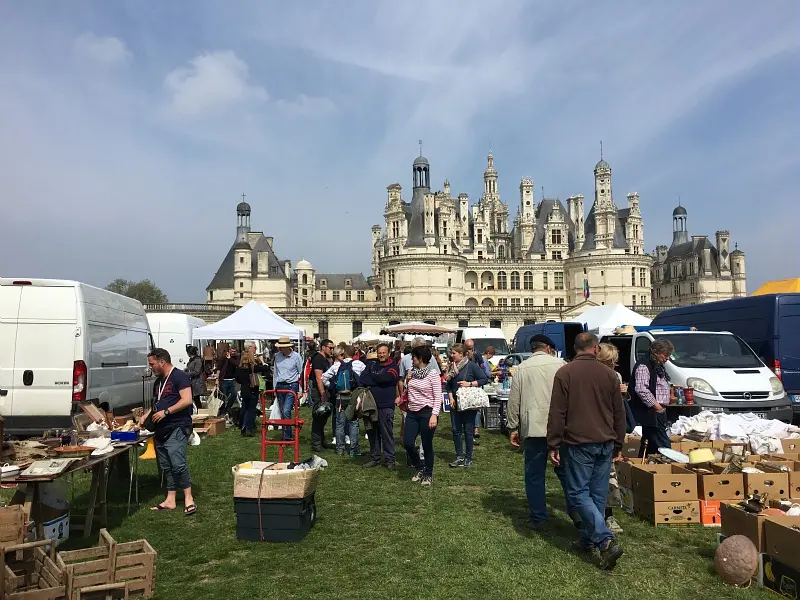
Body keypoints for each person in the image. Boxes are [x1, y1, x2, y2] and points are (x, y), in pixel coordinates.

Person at [547, 333, 625, 571]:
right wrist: (619, 443)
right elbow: (618, 412)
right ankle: (588, 540)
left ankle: (604, 539)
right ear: (595, 349)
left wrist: (553, 442)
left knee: (578, 492)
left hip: (579, 441)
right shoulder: (610, 375)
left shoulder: (565, 373)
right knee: (597, 495)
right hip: (604, 441)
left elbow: (557, 412)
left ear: (575, 348)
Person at [506, 335, 566, 531]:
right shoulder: (561, 364)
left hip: (533, 426)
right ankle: (578, 512)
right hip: (560, 426)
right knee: (568, 472)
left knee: (534, 474)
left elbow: (513, 400)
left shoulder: (522, 368)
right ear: (548, 348)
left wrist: (513, 427)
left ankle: (539, 516)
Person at [148, 348, 197, 515]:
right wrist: (145, 417)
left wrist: (167, 411)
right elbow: (157, 404)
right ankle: (170, 499)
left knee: (178, 463)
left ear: (162, 361)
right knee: (166, 466)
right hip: (161, 429)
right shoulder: (158, 382)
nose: (151, 367)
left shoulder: (179, 377)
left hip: (177, 426)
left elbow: (187, 400)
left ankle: (188, 498)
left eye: (152, 364)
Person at [596, 342, 627, 535]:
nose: (614, 365)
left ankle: (607, 515)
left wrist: (624, 393)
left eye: (614, 362)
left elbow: (619, 409)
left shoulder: (616, 376)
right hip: (599, 429)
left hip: (607, 430)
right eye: (610, 361)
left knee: (608, 477)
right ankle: (598, 517)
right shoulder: (595, 375)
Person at [403, 345, 442, 486]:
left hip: (427, 412)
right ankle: (419, 467)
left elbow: (438, 397)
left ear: (420, 358)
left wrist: (434, 415)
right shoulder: (412, 372)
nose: (411, 359)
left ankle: (428, 473)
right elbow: (408, 390)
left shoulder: (433, 374)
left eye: (413, 357)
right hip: (412, 412)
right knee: (407, 443)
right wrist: (407, 380)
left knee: (426, 444)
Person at [444, 343, 489, 468]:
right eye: (451, 353)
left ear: (462, 354)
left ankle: (468, 457)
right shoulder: (451, 367)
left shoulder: (471, 366)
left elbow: (484, 379)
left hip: (468, 403)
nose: (451, 355)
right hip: (455, 403)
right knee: (455, 430)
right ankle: (459, 456)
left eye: (454, 353)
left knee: (468, 431)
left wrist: (470, 383)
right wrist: (450, 397)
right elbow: (448, 384)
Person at [629, 338, 674, 457]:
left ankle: (643, 469)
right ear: (656, 352)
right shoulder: (644, 366)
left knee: (649, 445)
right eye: (666, 355)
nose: (667, 358)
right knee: (663, 445)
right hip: (652, 413)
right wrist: (657, 406)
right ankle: (668, 469)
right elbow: (641, 389)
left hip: (656, 412)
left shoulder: (656, 365)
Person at [359, 342, 399, 469]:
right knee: (372, 432)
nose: (381, 355)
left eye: (383, 352)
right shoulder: (371, 365)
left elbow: (387, 378)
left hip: (386, 405)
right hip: (371, 405)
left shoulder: (394, 367)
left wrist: (374, 378)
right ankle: (375, 457)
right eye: (379, 352)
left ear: (388, 353)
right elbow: (363, 379)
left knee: (386, 433)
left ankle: (389, 459)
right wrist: (377, 378)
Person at [322, 345, 366, 456]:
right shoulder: (359, 364)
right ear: (354, 354)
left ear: (344, 353)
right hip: (353, 396)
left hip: (340, 397)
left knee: (339, 423)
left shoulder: (336, 366)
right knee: (353, 423)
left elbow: (323, 378)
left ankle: (340, 449)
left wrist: (332, 386)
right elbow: (366, 377)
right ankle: (353, 450)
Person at [273, 337, 304, 441]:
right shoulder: (277, 356)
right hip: (280, 385)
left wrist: (300, 389)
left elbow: (301, 373)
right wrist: (274, 388)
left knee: (286, 410)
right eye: (279, 347)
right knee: (282, 411)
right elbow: (275, 373)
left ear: (288, 347)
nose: (280, 349)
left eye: (282, 347)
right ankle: (286, 434)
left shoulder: (296, 357)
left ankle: (287, 436)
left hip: (292, 385)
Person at [309, 339, 336, 452]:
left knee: (323, 417)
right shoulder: (318, 359)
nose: (332, 350)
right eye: (330, 348)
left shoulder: (325, 359)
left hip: (323, 390)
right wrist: (322, 394)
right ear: (323, 347)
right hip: (318, 391)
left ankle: (322, 442)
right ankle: (316, 444)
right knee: (318, 416)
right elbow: (318, 378)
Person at [235, 350, 269, 437]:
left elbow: (237, 380)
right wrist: (261, 361)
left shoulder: (239, 368)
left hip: (244, 390)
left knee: (244, 408)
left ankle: (242, 425)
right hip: (252, 390)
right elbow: (266, 368)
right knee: (251, 410)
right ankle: (248, 429)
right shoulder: (252, 367)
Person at [464, 338, 490, 440]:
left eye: (471, 348)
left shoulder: (478, 355)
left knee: (476, 406)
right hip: (464, 384)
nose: (470, 350)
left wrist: (479, 372)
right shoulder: (462, 354)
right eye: (468, 348)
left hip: (475, 383)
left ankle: (475, 428)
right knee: (466, 406)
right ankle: (468, 427)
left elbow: (483, 368)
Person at [217, 346, 239, 417]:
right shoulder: (224, 357)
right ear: (229, 351)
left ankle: (228, 408)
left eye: (234, 352)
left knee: (234, 394)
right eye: (232, 351)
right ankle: (222, 410)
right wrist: (217, 379)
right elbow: (219, 368)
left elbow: (237, 364)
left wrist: (230, 358)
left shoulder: (236, 358)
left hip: (232, 379)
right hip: (224, 380)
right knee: (223, 396)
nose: (233, 353)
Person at [185, 345, 205, 410]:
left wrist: (186, 374)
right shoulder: (191, 360)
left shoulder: (197, 360)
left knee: (196, 399)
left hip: (197, 382)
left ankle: (200, 412)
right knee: (193, 398)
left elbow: (197, 371)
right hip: (192, 382)